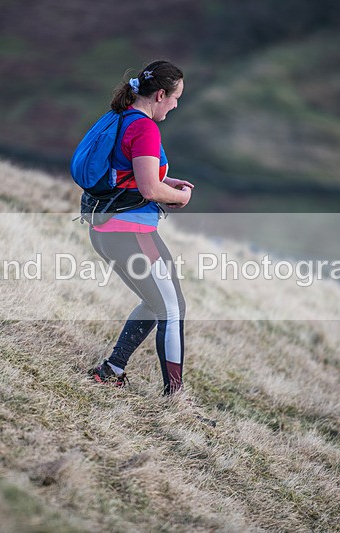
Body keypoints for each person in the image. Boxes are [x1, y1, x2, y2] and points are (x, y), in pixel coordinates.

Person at [87, 60, 193, 396]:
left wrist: (166, 180)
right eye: (175, 97)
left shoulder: (121, 115)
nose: (176, 105)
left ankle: (112, 369)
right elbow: (149, 190)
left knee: (155, 300)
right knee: (172, 309)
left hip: (105, 230)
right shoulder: (146, 128)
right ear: (160, 94)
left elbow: (125, 172)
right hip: (129, 232)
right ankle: (174, 398)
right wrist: (179, 196)